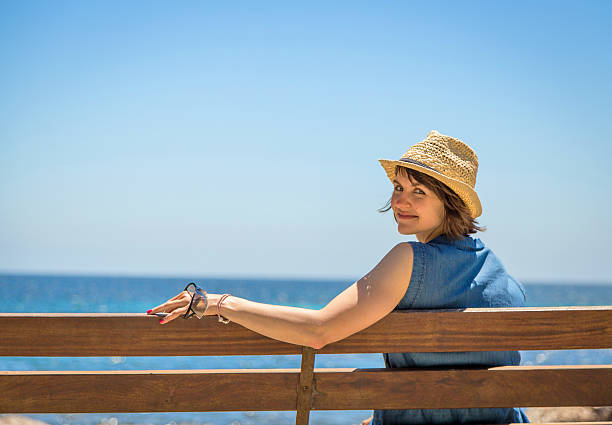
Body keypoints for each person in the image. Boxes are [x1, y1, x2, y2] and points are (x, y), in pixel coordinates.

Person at [148, 130, 529, 424]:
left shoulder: (412, 259)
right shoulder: (506, 281)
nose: (400, 201)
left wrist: (215, 303)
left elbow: (318, 330)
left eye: (418, 192)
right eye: (398, 188)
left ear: (451, 202)